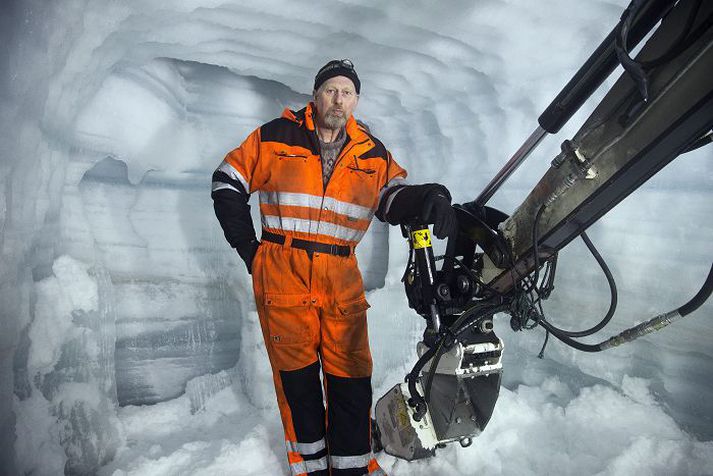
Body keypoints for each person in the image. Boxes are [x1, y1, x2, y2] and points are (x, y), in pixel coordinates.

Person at [212, 59, 457, 476]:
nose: (337, 99)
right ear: (316, 95)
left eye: (346, 92)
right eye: (330, 90)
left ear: (356, 100)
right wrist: (251, 251)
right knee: (298, 381)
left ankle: (352, 468)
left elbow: (391, 198)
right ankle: (308, 468)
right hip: (283, 272)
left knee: (351, 378)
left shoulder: (371, 152)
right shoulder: (276, 137)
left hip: (341, 277)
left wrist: (427, 197)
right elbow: (226, 182)